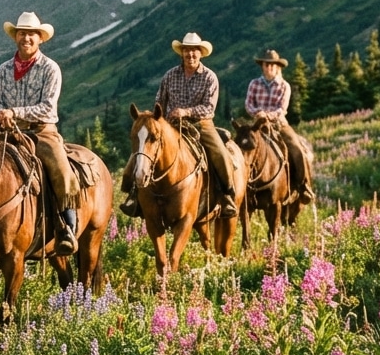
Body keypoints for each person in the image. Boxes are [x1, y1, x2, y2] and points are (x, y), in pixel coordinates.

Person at [0, 11, 81, 255]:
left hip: (41, 132)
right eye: (22, 33)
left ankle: (67, 227)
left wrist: (14, 112)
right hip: (8, 132)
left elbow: (48, 107)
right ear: (15, 37)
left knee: (61, 168)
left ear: (40, 38)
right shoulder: (3, 69)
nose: (26, 38)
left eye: (31, 34)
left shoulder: (50, 68)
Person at [121, 31, 238, 218]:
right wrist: (155, 118)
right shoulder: (170, 75)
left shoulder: (209, 77)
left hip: (201, 124)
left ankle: (226, 196)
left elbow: (209, 108)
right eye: (187, 50)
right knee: (142, 152)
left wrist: (186, 111)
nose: (190, 54)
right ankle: (133, 194)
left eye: (194, 50)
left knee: (219, 153)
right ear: (181, 53)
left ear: (200, 53)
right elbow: (160, 102)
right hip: (170, 125)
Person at [245, 48, 315, 204]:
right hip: (258, 124)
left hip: (279, 124)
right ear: (262, 66)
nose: (269, 67)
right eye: (266, 64)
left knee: (297, 149)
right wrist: (258, 113)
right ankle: (239, 186)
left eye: (272, 65)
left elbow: (282, 109)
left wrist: (268, 115)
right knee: (242, 146)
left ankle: (304, 186)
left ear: (278, 67)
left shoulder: (284, 86)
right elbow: (248, 104)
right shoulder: (254, 84)